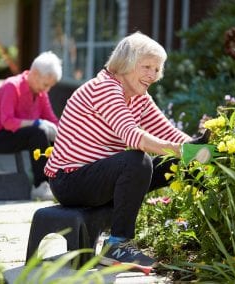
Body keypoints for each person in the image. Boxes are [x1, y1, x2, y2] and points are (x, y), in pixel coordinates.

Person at [44, 32, 209, 267]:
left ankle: (217, 227)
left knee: (178, 161)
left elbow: (169, 133)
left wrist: (203, 152)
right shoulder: (104, 88)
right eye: (147, 67)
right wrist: (184, 150)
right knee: (138, 161)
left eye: (157, 68)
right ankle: (117, 245)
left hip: (101, 178)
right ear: (127, 63)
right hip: (70, 180)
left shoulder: (139, 97)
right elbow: (133, 136)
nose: (153, 75)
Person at [0, 51, 62, 201]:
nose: (47, 90)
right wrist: (37, 122)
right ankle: (40, 186)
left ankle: (58, 182)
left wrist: (63, 133)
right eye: (46, 84)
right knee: (38, 133)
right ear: (35, 73)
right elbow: (7, 121)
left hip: (18, 134)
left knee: (53, 134)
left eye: (50, 86)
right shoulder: (12, 86)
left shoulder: (41, 93)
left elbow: (52, 119)